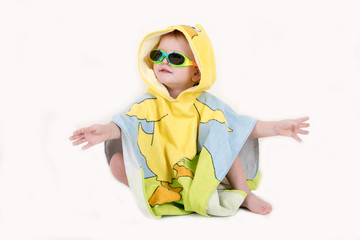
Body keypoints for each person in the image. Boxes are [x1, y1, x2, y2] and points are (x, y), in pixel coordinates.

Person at [70, 25, 309, 217]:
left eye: (175, 58)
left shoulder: (205, 103)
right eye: (158, 55)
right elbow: (129, 123)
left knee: (225, 138)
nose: (164, 62)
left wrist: (277, 128)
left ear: (196, 72)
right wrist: (106, 130)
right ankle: (155, 191)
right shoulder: (149, 102)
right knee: (117, 163)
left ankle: (243, 194)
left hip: (196, 168)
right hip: (163, 170)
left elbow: (239, 126)